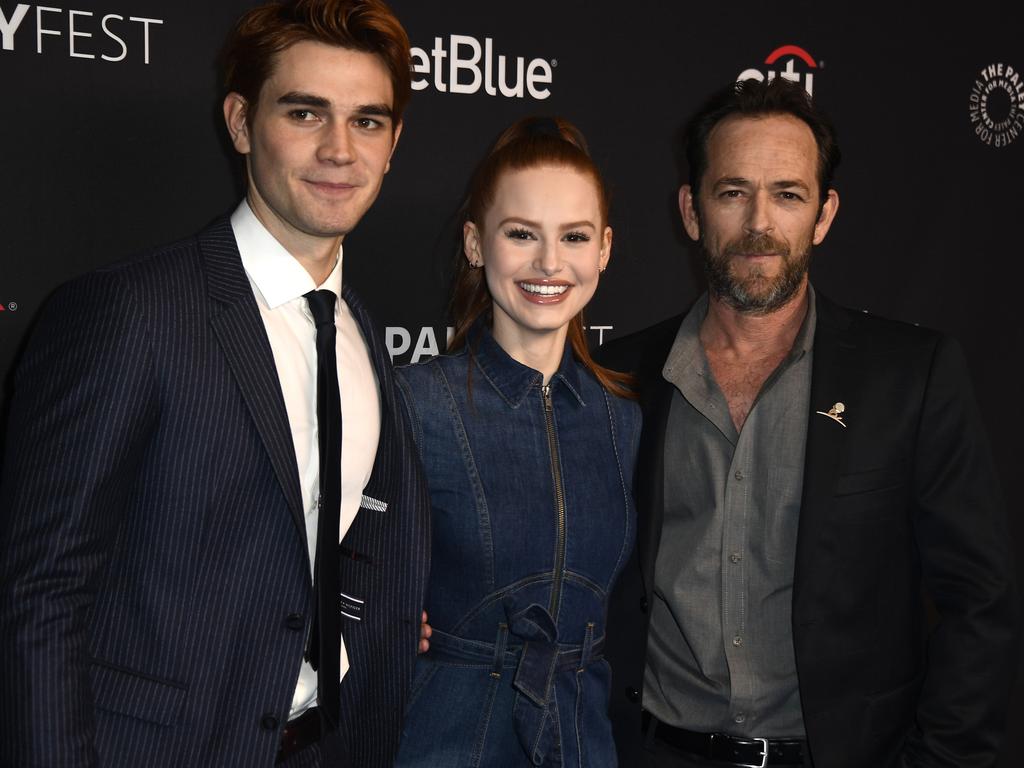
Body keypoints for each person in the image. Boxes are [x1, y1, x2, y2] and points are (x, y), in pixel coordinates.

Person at [0, 1, 430, 765]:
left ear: (395, 144)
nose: (340, 150)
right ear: (239, 123)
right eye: (306, 114)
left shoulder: (361, 329)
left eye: (368, 121)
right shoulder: (130, 311)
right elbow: (38, 594)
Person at [598, 77, 1018, 768]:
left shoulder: (910, 376)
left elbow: (981, 604)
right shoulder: (617, 378)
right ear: (691, 210)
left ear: (823, 215)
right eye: (733, 192)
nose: (760, 221)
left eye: (788, 194)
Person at [393, 116, 640, 768]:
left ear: (604, 249)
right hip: (444, 738)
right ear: (477, 244)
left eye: (574, 237)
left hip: (583, 739)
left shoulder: (625, 419)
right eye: (522, 234)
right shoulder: (414, 403)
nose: (550, 263)